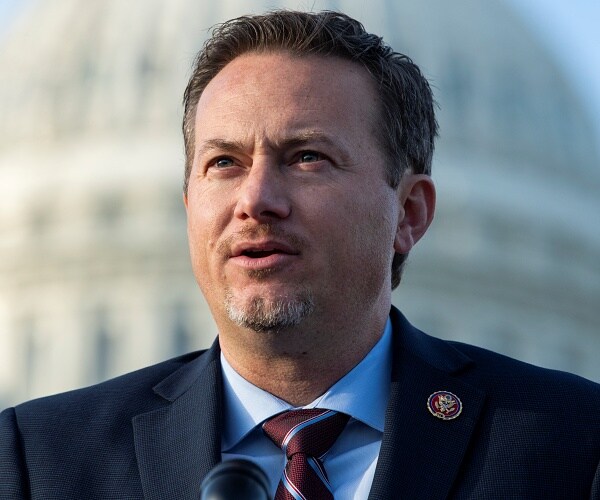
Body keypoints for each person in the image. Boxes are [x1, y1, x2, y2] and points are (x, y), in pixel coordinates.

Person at [1, 10, 599, 500]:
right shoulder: (40, 462)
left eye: (308, 157)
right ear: (188, 205)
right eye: (224, 163)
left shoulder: (575, 446)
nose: (255, 201)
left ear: (409, 213)